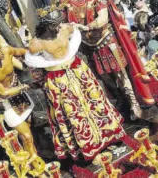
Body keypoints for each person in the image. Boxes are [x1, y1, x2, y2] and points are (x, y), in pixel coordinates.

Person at [25, 9, 125, 160]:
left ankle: (107, 138)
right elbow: (32, 64)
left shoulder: (66, 28)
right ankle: (89, 148)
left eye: (60, 23)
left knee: (96, 102)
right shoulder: (36, 43)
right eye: (55, 25)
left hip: (78, 70)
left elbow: (76, 33)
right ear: (47, 25)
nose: (59, 27)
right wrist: (41, 80)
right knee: (73, 112)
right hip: (58, 80)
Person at [61, 0, 156, 120]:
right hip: (88, 45)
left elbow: (103, 19)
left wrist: (84, 27)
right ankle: (120, 99)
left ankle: (133, 104)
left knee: (120, 72)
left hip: (107, 41)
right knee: (104, 77)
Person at [0, 39, 35, 155]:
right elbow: (4, 92)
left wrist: (30, 63)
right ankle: (38, 165)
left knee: (27, 133)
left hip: (21, 98)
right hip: (6, 105)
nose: (1, 52)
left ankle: (29, 158)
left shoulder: (6, 51)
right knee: (28, 137)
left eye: (0, 48)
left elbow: (24, 51)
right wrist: (24, 87)